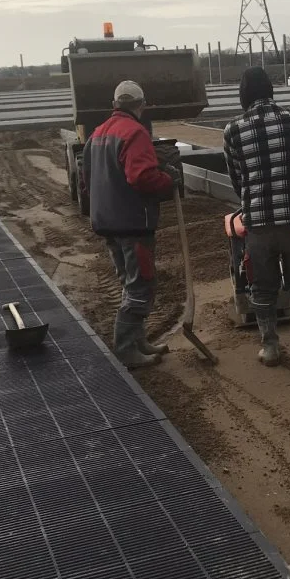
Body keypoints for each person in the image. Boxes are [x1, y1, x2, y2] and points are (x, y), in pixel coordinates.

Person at [223, 67, 290, 369]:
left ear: (243, 95)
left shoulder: (234, 130)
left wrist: (252, 198)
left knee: (263, 286)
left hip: (259, 222)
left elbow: (236, 180)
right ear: (271, 91)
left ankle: (270, 348)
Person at [84, 80, 174, 368]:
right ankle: (125, 348)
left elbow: (88, 179)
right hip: (133, 223)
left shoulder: (97, 134)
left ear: (114, 105)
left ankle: (138, 341)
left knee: (129, 282)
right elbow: (142, 177)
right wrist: (168, 181)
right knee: (140, 286)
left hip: (108, 222)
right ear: (141, 105)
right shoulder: (135, 133)